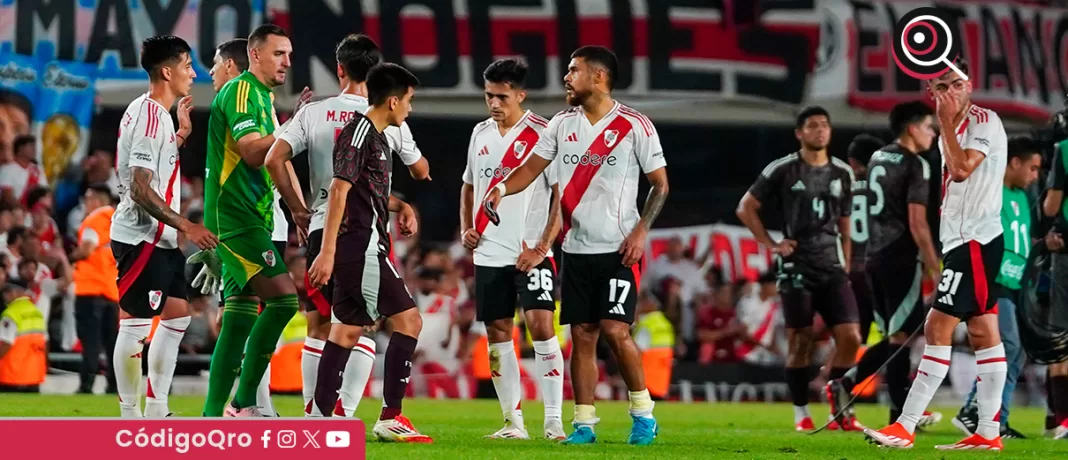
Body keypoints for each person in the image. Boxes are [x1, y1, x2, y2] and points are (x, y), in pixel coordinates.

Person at [482, 46, 668, 446]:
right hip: (577, 250)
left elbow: (661, 184)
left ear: (598, 77)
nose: (566, 77)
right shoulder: (561, 124)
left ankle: (643, 414)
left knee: (616, 332)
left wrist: (641, 232)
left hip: (620, 249)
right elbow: (531, 169)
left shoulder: (635, 125)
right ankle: (584, 424)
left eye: (573, 70)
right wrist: (500, 187)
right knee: (582, 335)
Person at [264, 33, 430, 417]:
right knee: (362, 324)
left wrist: (298, 210)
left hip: (321, 226)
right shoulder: (385, 122)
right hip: (358, 231)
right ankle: (348, 413)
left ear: (339, 69)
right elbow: (419, 170)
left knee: (324, 324)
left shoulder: (313, 112)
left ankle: (316, 410)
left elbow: (275, 158)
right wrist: (403, 194)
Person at [864, 58, 1009, 450]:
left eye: (955, 84)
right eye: (941, 87)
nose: (950, 92)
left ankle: (905, 426)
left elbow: (962, 170)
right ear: (931, 91)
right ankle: (989, 434)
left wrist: (944, 120)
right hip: (964, 241)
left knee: (936, 328)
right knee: (982, 332)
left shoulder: (983, 122)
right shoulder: (953, 124)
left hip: (975, 241)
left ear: (969, 83)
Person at [305, 63, 431, 442]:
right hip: (359, 248)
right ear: (393, 101)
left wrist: (400, 206)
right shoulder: (359, 132)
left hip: (361, 245)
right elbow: (339, 191)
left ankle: (319, 423)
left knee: (344, 332)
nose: (409, 108)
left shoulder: (376, 136)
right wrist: (326, 254)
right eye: (408, 101)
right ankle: (391, 415)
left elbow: (366, 193)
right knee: (409, 321)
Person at [198, 25, 303, 417]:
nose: (287, 62)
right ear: (255, 54)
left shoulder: (262, 97)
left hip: (250, 214)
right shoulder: (242, 91)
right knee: (284, 301)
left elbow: (272, 157)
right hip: (236, 216)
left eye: (289, 55)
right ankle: (245, 402)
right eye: (279, 54)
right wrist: (294, 128)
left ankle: (212, 416)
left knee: (240, 316)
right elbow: (252, 153)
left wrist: (296, 208)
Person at [110, 35, 218, 417]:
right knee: (136, 325)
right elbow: (140, 187)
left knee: (177, 317)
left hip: (161, 238)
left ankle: (157, 409)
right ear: (167, 71)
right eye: (188, 66)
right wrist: (187, 226)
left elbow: (152, 165)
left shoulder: (153, 114)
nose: (193, 73)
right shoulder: (151, 116)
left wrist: (182, 134)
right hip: (141, 237)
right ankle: (130, 415)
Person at [736, 106, 863, 431]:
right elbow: (745, 208)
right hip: (795, 267)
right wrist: (770, 243)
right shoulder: (783, 169)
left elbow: (846, 224)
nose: (820, 130)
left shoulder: (842, 173)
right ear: (799, 133)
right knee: (801, 341)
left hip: (831, 266)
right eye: (813, 125)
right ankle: (801, 411)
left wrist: (846, 262)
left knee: (851, 337)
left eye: (825, 125)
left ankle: (837, 394)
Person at [459, 58, 565, 440]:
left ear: (520, 95)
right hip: (488, 251)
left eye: (502, 96)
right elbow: (469, 185)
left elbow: (560, 199)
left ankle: (553, 421)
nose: (494, 103)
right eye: (489, 95)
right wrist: (466, 228)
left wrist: (542, 247)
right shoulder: (480, 133)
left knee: (540, 325)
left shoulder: (544, 132)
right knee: (498, 331)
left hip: (529, 252)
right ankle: (512, 423)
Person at [826, 102, 941, 429]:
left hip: (874, 259)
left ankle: (851, 384)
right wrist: (935, 268)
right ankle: (900, 418)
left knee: (898, 333)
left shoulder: (877, 157)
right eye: (928, 126)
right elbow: (917, 223)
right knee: (902, 336)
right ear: (911, 128)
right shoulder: (916, 164)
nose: (932, 133)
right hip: (900, 257)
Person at [951, 137, 1045, 439]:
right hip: (994, 281)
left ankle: (992, 417)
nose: (1035, 176)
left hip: (1015, 282)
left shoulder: (1020, 197)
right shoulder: (990, 192)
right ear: (1014, 162)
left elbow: (1020, 238)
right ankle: (978, 412)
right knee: (1009, 347)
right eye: (1032, 168)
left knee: (1014, 354)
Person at [70, 184, 119, 395]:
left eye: (88, 199)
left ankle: (86, 386)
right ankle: (115, 386)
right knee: (112, 344)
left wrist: (69, 257)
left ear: (97, 200)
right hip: (112, 292)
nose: (85, 204)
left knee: (90, 342)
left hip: (90, 290)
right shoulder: (117, 220)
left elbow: (87, 249)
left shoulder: (93, 220)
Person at [1043, 124, 1068, 438]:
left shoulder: (1063, 149)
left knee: (1060, 341)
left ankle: (1060, 419)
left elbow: (1051, 205)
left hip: (1065, 251)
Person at [845, 134, 880, 345]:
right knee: (893, 330)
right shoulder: (883, 188)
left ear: (853, 162)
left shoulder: (840, 188)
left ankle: (842, 376)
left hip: (850, 268)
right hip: (878, 266)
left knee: (855, 332)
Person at [0, 280, 46, 392]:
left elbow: (6, 343)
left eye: (6, 292)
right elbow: (44, 342)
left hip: (13, 376)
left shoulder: (11, 314)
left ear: (15, 292)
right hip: (34, 376)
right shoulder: (36, 312)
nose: (4, 296)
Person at [0, 135, 46, 207]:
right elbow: (7, 196)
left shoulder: (37, 170)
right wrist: (22, 210)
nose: (34, 150)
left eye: (34, 146)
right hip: (13, 212)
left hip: (35, 213)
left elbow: (44, 193)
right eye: (30, 146)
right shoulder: (7, 169)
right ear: (20, 149)